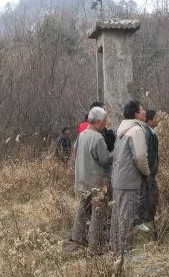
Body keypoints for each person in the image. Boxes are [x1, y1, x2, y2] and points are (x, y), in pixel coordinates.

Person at [71, 107, 112, 254]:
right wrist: (115, 152)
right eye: (105, 119)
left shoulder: (81, 135)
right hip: (97, 182)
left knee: (82, 211)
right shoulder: (98, 138)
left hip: (82, 180)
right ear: (99, 122)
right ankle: (94, 247)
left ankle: (76, 240)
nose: (107, 122)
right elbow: (105, 161)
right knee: (98, 214)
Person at [110, 101, 149, 254]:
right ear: (136, 114)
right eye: (142, 110)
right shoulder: (136, 130)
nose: (145, 112)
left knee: (118, 216)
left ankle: (116, 250)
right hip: (129, 180)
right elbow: (140, 157)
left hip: (119, 179)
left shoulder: (122, 129)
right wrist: (146, 172)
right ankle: (125, 254)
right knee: (127, 218)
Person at [136, 110, 160, 230]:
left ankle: (149, 217)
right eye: (156, 117)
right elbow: (144, 154)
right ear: (149, 121)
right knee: (144, 195)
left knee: (151, 193)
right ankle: (141, 220)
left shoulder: (151, 132)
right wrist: (146, 170)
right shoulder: (145, 133)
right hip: (147, 170)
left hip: (151, 170)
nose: (158, 119)